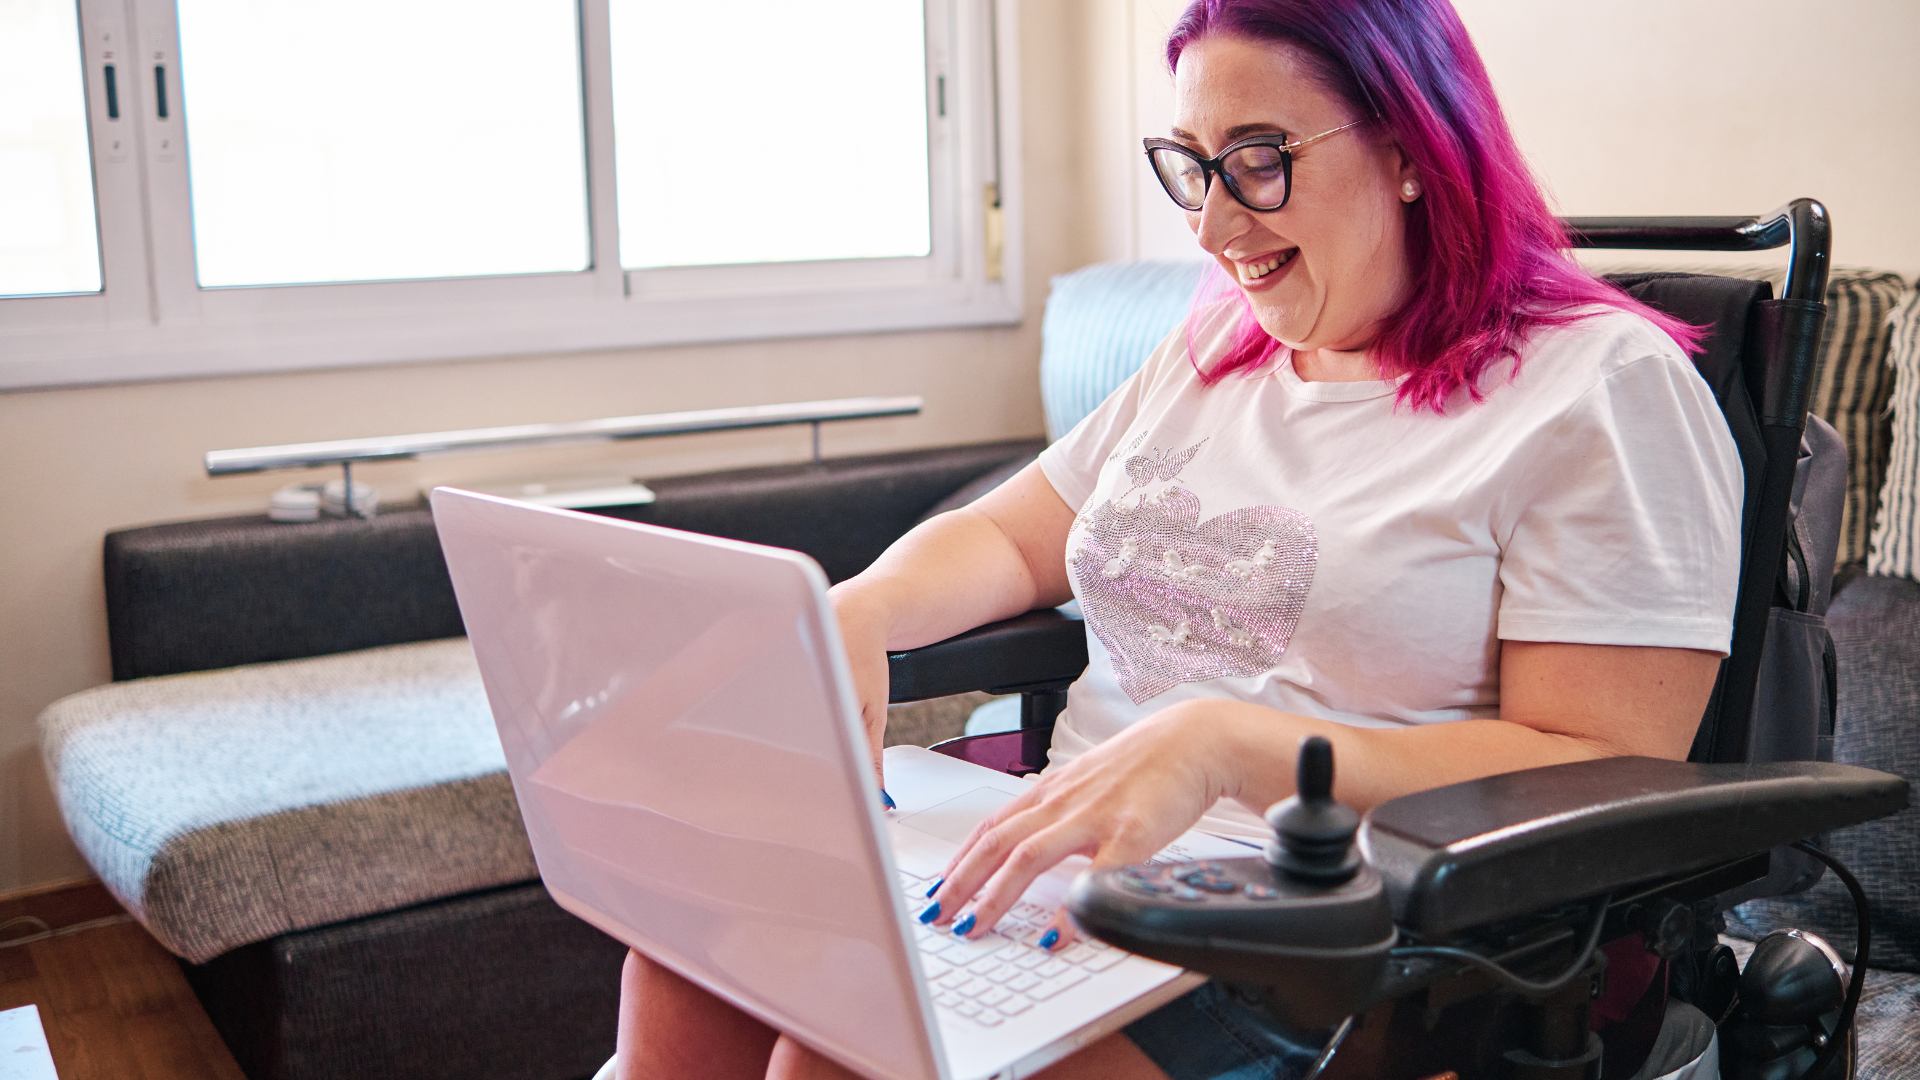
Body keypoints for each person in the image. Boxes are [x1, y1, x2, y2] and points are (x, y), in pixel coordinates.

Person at [615, 0, 1743, 1077]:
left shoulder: (1600, 388)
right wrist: (859, 608)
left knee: (843, 1056)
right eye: (1192, 167)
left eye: (1259, 160)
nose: (1210, 226)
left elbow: (1600, 763)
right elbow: (1013, 541)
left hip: (1341, 931)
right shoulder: (1216, 350)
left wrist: (1231, 747)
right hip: (1070, 864)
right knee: (686, 964)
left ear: (1411, 148)